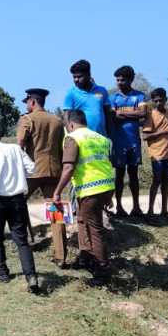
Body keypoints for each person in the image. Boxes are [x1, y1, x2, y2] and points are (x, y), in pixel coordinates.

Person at [53, 111, 115, 287]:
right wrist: (108, 197)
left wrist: (57, 191)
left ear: (71, 125)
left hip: (90, 190)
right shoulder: (100, 138)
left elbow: (68, 169)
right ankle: (86, 258)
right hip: (105, 187)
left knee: (94, 230)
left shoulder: (73, 138)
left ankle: (102, 273)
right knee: (82, 221)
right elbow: (105, 165)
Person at [0, 127, 42, 294]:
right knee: (21, 239)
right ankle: (31, 276)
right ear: (0, 136)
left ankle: (3, 272)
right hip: (18, 199)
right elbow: (32, 168)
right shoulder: (15, 148)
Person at [15, 88, 67, 265]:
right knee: (56, 211)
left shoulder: (27, 119)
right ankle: (60, 255)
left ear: (32, 101)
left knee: (17, 202)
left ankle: (28, 241)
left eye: (27, 102)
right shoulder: (57, 121)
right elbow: (61, 149)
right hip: (54, 171)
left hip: (32, 171)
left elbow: (19, 146)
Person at [109, 65, 146, 216]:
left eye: (122, 80)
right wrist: (133, 113)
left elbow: (143, 113)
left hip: (134, 142)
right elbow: (113, 118)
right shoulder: (112, 98)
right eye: (117, 80)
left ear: (131, 80)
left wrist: (122, 112)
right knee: (119, 175)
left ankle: (136, 207)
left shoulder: (139, 96)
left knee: (133, 174)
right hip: (118, 142)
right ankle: (119, 206)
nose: (119, 82)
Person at [140, 88, 168, 218]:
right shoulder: (150, 115)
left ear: (166, 100)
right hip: (156, 154)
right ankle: (150, 211)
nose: (158, 103)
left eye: (160, 100)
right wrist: (165, 131)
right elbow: (145, 136)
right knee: (156, 180)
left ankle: (164, 210)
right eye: (155, 101)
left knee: (166, 181)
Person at [62, 59, 114, 138]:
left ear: (88, 75)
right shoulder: (71, 93)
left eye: (79, 77)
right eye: (74, 77)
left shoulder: (102, 90)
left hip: (100, 138)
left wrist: (110, 138)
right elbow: (66, 116)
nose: (76, 80)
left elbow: (107, 114)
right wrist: (71, 136)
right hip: (81, 139)